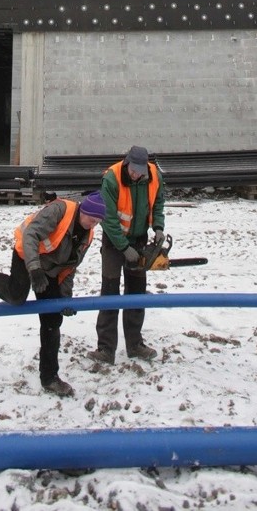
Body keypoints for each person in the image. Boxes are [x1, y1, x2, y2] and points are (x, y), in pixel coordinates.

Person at [0, 190, 106, 397]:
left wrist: (65, 300)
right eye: (91, 218)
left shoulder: (86, 236)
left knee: (52, 320)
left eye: (97, 222)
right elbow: (30, 235)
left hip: (50, 268)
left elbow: (69, 269)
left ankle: (50, 378)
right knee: (16, 296)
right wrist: (34, 269)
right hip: (27, 253)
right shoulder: (60, 210)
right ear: (84, 210)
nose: (92, 224)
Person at [89, 144, 165, 365]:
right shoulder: (112, 179)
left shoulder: (154, 176)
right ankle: (105, 348)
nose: (136, 175)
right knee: (110, 292)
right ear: (126, 163)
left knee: (136, 293)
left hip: (140, 240)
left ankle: (135, 344)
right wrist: (124, 247)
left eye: (140, 172)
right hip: (114, 243)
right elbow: (108, 218)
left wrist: (158, 226)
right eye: (133, 170)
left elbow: (158, 203)